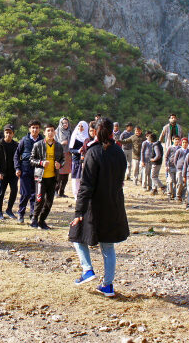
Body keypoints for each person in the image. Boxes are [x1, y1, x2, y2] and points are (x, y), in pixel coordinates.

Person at [69, 117, 128, 298]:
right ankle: (108, 285)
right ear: (112, 132)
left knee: (76, 235)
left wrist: (79, 211)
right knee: (107, 245)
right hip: (114, 204)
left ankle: (87, 269)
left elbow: (86, 185)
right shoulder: (119, 151)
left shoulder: (93, 152)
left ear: (96, 131)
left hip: (94, 205)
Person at [30, 123, 64, 229]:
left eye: (52, 130)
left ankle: (42, 221)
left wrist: (60, 164)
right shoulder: (38, 145)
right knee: (39, 199)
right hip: (40, 178)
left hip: (53, 178)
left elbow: (63, 159)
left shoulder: (58, 146)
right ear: (44, 132)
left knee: (50, 201)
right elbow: (31, 159)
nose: (50, 133)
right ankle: (34, 219)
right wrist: (41, 163)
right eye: (48, 130)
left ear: (55, 132)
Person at [14, 120, 43, 223]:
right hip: (25, 170)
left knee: (35, 195)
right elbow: (17, 155)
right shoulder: (24, 140)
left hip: (38, 171)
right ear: (29, 129)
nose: (35, 130)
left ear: (39, 129)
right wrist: (17, 168)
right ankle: (20, 214)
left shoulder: (42, 141)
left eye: (37, 128)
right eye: (33, 127)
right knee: (25, 193)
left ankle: (33, 215)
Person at [0, 124, 19, 220]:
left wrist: (18, 169)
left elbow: (18, 159)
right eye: (6, 132)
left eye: (10, 133)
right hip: (2, 173)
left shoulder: (16, 145)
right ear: (4, 133)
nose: (8, 134)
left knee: (14, 191)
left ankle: (9, 209)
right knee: (0, 192)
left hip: (13, 173)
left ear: (13, 134)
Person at [69, 121, 89, 199]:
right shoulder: (75, 136)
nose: (80, 128)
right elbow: (70, 149)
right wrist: (78, 151)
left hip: (85, 160)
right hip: (76, 160)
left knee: (84, 177)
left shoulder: (87, 138)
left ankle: (83, 193)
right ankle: (76, 194)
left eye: (82, 126)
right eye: (79, 126)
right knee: (75, 178)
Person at [55, 117, 73, 198]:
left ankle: (62, 192)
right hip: (59, 155)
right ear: (60, 124)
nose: (65, 124)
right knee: (59, 174)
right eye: (64, 123)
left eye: (66, 123)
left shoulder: (70, 131)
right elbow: (54, 142)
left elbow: (73, 141)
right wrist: (61, 143)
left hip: (68, 154)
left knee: (66, 175)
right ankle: (55, 191)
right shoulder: (56, 131)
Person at [173, 138, 189, 203]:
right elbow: (175, 160)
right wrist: (178, 167)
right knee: (179, 183)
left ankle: (183, 196)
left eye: (186, 142)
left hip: (187, 170)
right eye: (183, 142)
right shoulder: (179, 151)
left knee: (185, 183)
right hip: (180, 169)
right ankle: (177, 195)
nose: (184, 144)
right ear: (181, 143)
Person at [165, 136, 181, 200]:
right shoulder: (170, 148)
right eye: (175, 139)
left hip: (178, 167)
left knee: (176, 181)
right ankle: (169, 193)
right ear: (172, 140)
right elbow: (166, 157)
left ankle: (174, 194)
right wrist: (166, 165)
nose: (177, 141)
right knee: (170, 181)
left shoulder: (180, 148)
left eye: (178, 139)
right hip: (170, 166)